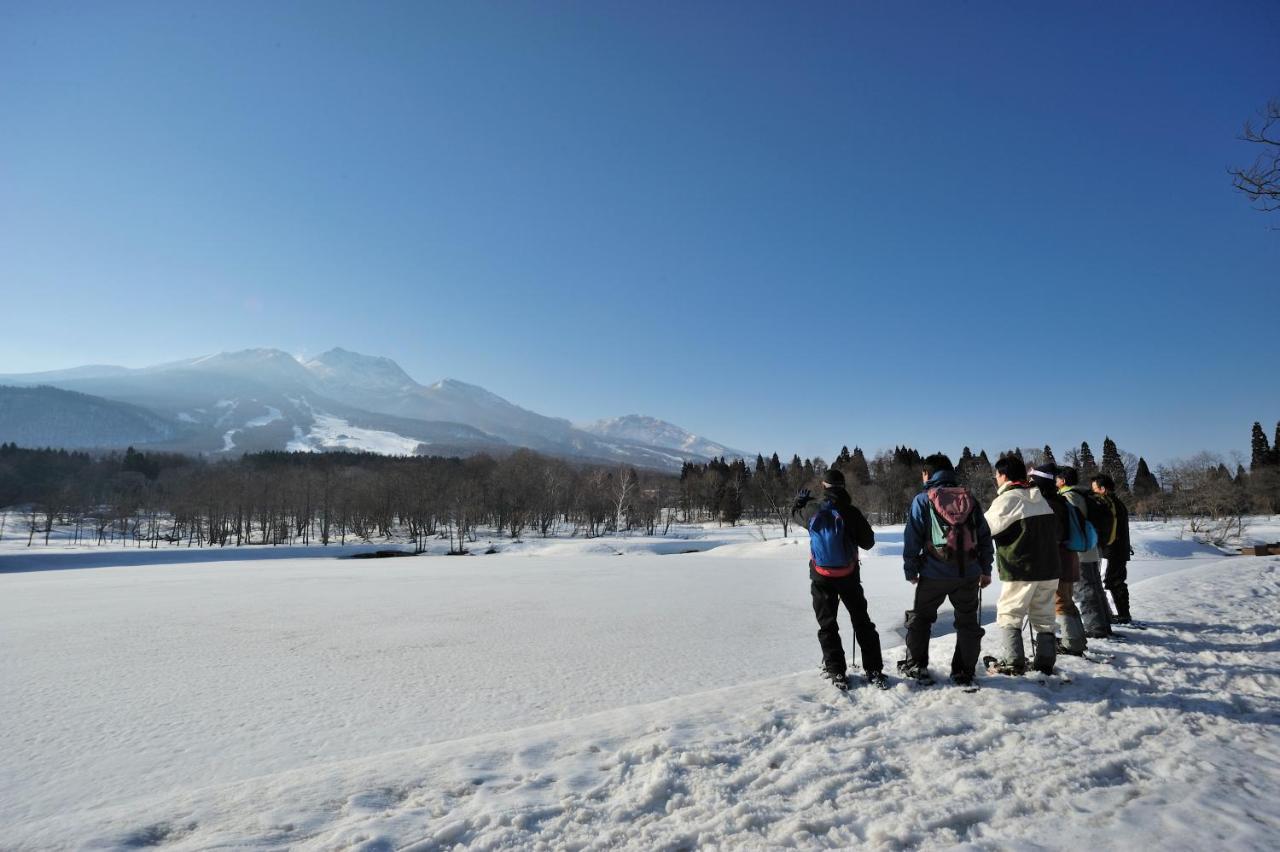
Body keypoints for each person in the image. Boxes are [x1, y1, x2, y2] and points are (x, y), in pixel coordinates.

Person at [898, 453, 994, 686]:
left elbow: (912, 538)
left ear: (927, 474)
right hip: (969, 572)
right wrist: (985, 569)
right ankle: (963, 672)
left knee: (921, 619)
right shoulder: (969, 498)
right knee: (968, 622)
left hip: (934, 573)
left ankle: (916, 666)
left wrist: (911, 570)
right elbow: (984, 536)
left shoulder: (923, 499)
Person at [792, 468, 887, 689]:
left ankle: (836, 671)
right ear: (843, 487)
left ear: (823, 486)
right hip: (849, 576)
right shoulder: (851, 511)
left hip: (821, 577)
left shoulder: (812, 509)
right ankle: (873, 670)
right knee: (862, 622)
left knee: (828, 625)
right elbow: (869, 543)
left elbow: (794, 515)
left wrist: (798, 503)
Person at [983, 455, 1061, 675]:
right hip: (1049, 567)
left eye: (996, 474)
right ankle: (1045, 663)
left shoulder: (1008, 500)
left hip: (1021, 568)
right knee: (1045, 616)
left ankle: (1013, 661)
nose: (996, 479)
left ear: (1004, 475)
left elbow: (984, 529)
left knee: (1010, 613)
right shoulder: (1040, 498)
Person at [1029, 462, 1087, 655]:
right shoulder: (1060, 500)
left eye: (1032, 479)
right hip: (1068, 557)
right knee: (1066, 600)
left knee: (1061, 602)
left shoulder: (1049, 504)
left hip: (1057, 559)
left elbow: (1052, 535)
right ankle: (1077, 640)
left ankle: (1072, 643)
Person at [1056, 466, 1112, 639]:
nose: (1055, 482)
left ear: (1063, 481)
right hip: (1089, 548)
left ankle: (1095, 628)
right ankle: (1104, 623)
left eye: (1057, 479)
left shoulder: (1069, 497)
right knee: (1094, 588)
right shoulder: (1082, 494)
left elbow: (1071, 524)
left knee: (1085, 590)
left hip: (1080, 551)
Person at [1092, 473, 1134, 624]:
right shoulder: (1117, 502)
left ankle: (1119, 615)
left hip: (1111, 550)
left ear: (1103, 489)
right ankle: (1123, 613)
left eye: (1094, 489)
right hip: (1120, 549)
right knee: (1118, 581)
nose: (1093, 493)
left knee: (1110, 581)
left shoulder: (1107, 503)